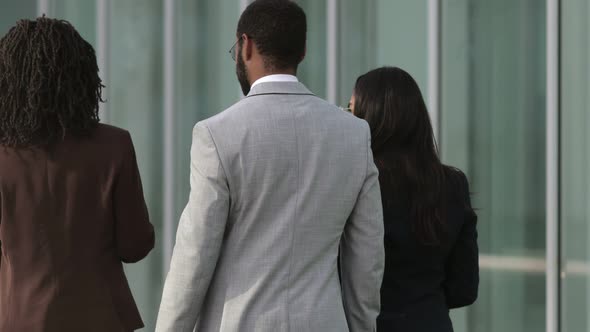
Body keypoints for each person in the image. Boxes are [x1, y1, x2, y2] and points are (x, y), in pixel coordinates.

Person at [155, 1, 384, 331]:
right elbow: (367, 259)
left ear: (245, 46)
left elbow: (195, 256)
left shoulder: (217, 135)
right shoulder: (353, 133)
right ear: (302, 52)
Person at [0, 17, 155, 332]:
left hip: (19, 320)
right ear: (81, 78)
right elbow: (134, 246)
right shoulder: (114, 145)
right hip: (104, 320)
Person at [348, 66, 479, 332]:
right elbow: (464, 289)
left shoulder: (357, 182)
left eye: (351, 110)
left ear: (368, 118)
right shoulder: (453, 184)